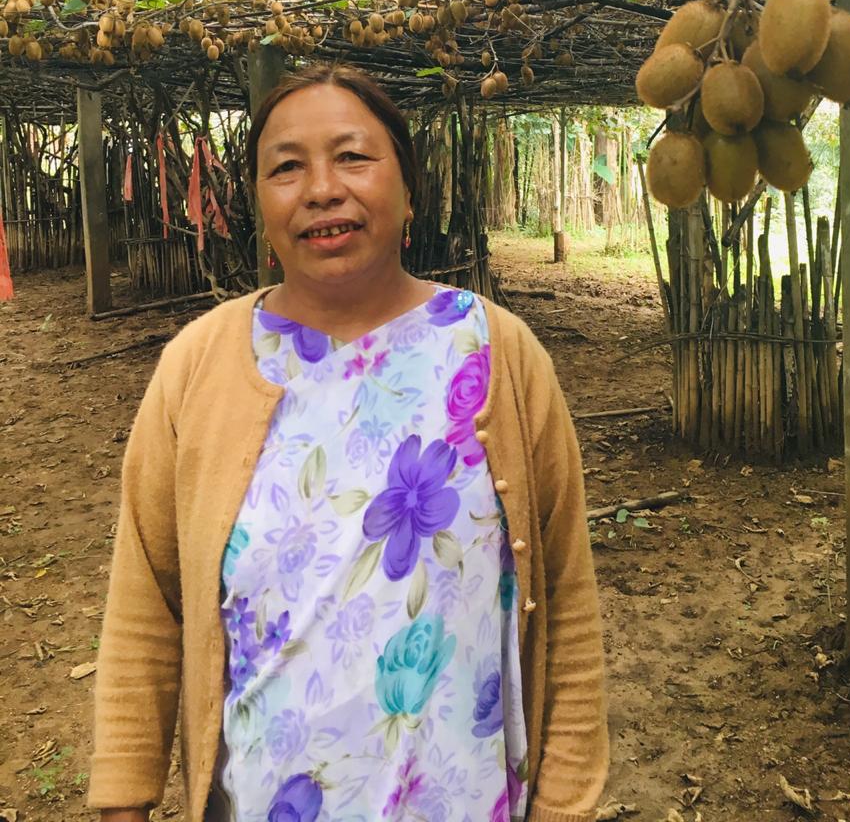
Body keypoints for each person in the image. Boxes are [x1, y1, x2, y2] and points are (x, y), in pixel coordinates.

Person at [88, 63, 608, 822]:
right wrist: (124, 799)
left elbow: (563, 594)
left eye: (353, 157)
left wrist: (567, 802)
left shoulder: (496, 354)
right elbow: (146, 607)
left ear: (409, 187)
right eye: (287, 167)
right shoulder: (197, 368)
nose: (322, 188)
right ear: (258, 203)